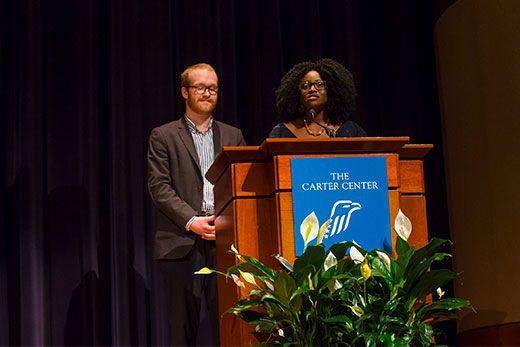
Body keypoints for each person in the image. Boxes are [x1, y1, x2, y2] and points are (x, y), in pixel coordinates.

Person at [147, 63, 246, 346]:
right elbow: (159, 187)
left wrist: (223, 221)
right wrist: (193, 221)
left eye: (212, 88)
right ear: (184, 92)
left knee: (229, 324)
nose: (207, 93)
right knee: (181, 330)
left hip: (224, 240)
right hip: (181, 242)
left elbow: (239, 186)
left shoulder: (233, 136)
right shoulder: (163, 135)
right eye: (200, 87)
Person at [268, 58, 367, 138]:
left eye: (319, 84)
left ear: (331, 90)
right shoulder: (281, 132)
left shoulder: (350, 131)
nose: (312, 89)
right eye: (305, 85)